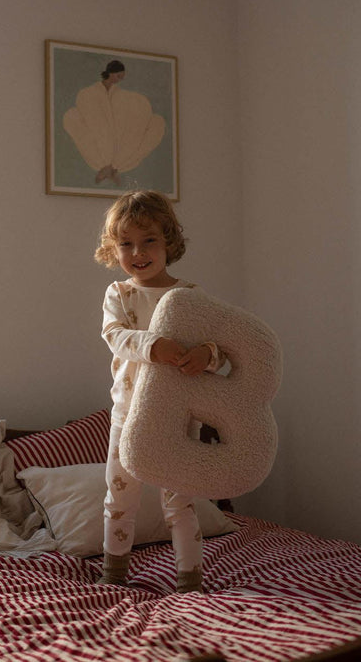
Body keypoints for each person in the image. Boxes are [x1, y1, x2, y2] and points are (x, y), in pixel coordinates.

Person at [94, 190, 225, 593]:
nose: (138, 251)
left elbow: (219, 348)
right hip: (128, 416)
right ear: (114, 249)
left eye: (149, 239)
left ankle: (190, 580)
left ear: (168, 241)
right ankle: (114, 574)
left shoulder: (189, 296)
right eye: (126, 243)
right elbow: (115, 336)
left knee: (180, 502)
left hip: (178, 418)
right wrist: (154, 345)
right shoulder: (120, 294)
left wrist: (207, 355)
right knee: (120, 501)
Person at [63, 61, 165, 185]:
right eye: (118, 76)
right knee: (72, 118)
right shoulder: (88, 94)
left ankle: (111, 168)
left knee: (156, 124)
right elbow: (96, 123)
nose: (120, 80)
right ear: (110, 73)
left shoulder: (123, 97)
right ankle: (109, 168)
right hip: (101, 146)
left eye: (122, 77)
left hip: (120, 153)